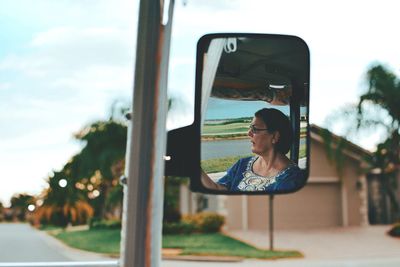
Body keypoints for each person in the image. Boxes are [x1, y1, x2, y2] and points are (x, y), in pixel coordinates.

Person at [201, 108, 305, 193]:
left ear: (274, 136)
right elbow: (218, 190)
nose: (249, 133)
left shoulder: (292, 178)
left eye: (255, 129)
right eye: (250, 128)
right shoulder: (242, 164)